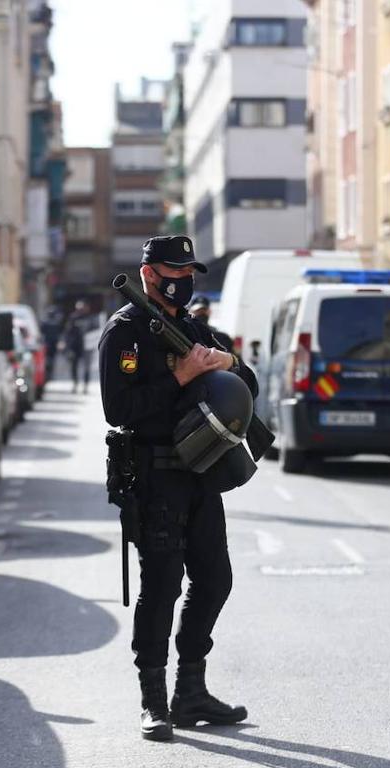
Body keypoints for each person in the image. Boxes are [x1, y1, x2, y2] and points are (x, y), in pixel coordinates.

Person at [98, 235, 257, 742]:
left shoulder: (190, 327)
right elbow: (119, 410)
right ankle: (153, 700)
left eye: (189, 271)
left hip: (201, 471)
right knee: (162, 586)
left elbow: (244, 379)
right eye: (174, 270)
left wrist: (225, 364)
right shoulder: (124, 334)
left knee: (215, 580)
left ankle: (191, 689)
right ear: (149, 274)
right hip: (154, 474)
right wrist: (180, 376)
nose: (184, 279)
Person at [63, 300, 94, 393]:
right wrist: (65, 343)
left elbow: (95, 332)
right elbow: (68, 331)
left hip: (87, 346)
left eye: (83, 308)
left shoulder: (91, 319)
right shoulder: (73, 318)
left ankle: (85, 385)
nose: (81, 310)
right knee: (74, 366)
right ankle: (75, 383)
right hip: (75, 346)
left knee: (86, 367)